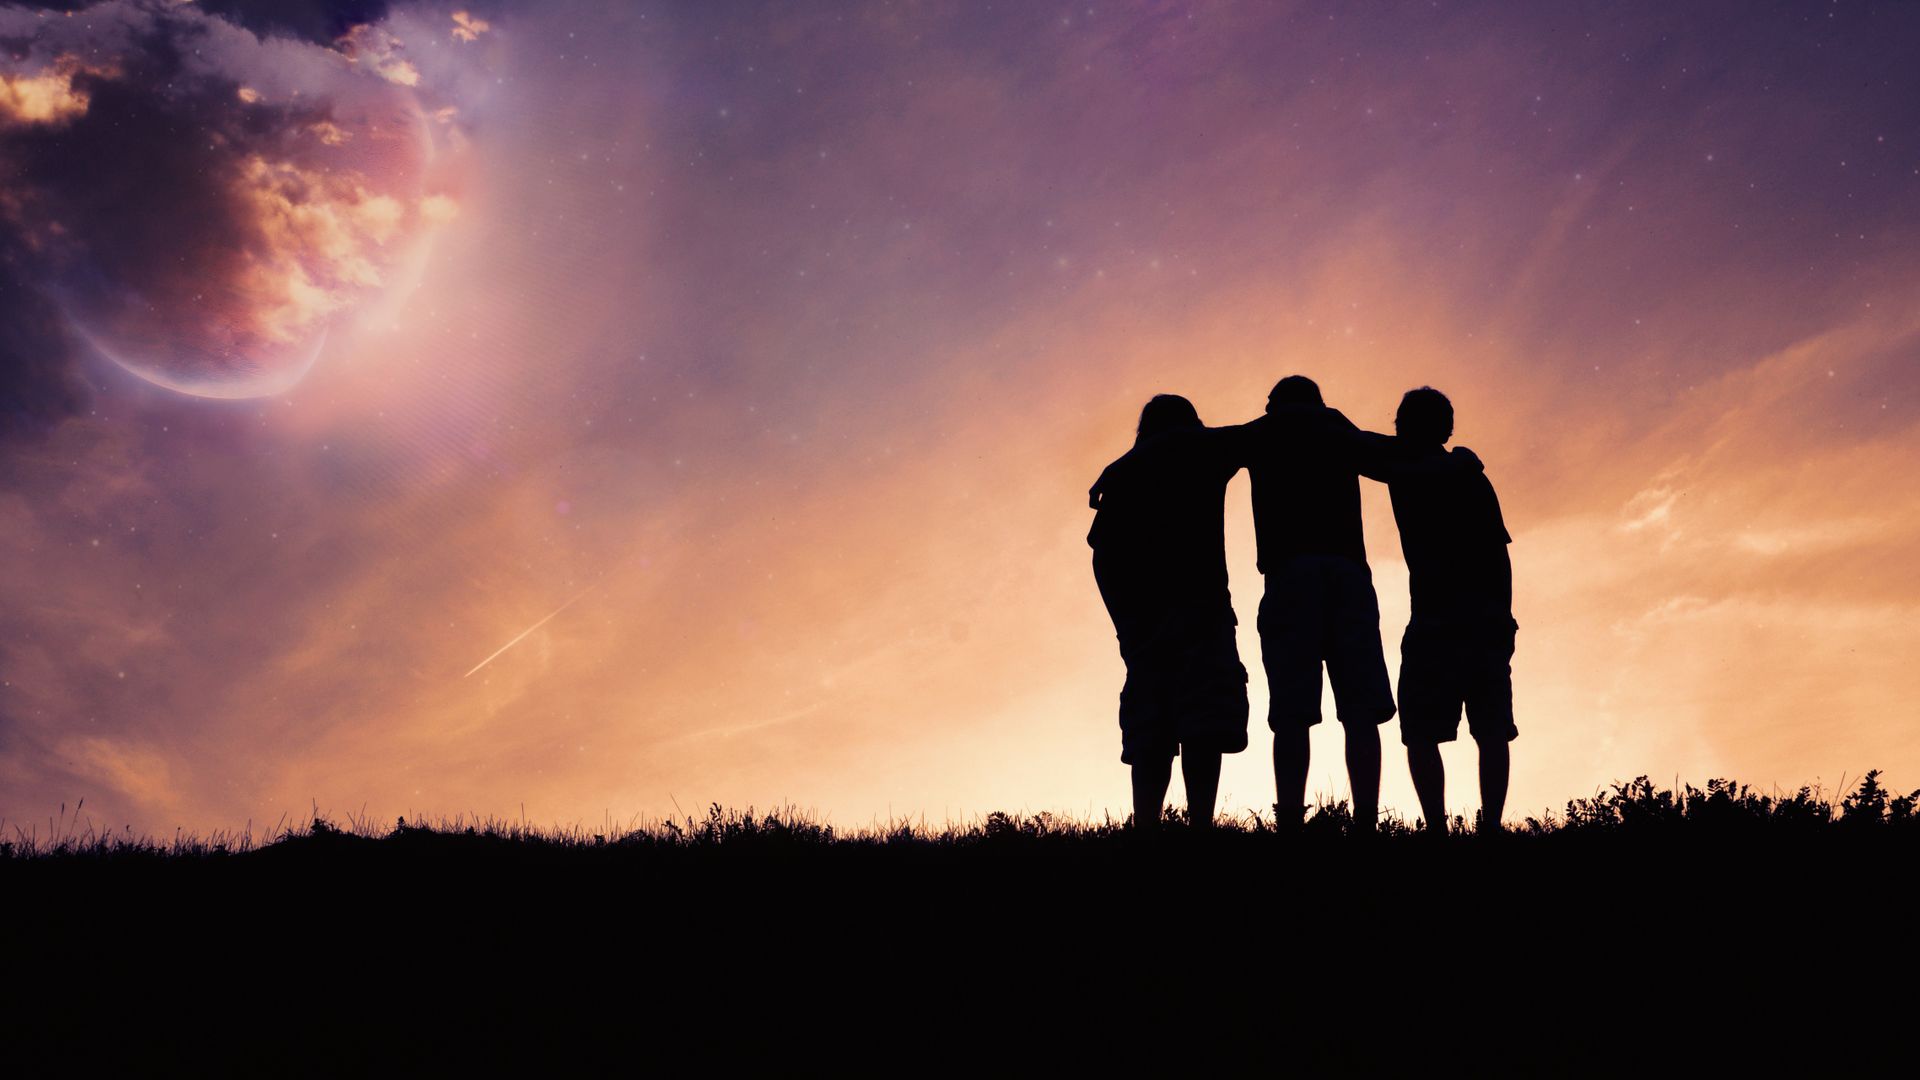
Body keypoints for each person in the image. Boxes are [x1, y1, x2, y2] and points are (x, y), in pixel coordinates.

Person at [1230, 376, 1395, 831]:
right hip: (1345, 570)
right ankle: (1364, 822)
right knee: (1360, 708)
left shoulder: (1262, 432)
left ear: (1272, 404)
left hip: (1289, 575)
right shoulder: (1337, 428)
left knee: (1291, 711)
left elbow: (1198, 447)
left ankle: (1290, 824)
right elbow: (1389, 458)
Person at [1088, 394, 1250, 830]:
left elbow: (1101, 554)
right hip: (1202, 614)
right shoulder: (1204, 451)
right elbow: (1255, 435)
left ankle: (1147, 829)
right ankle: (1199, 827)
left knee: (1151, 731)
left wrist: (1126, 625)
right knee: (1202, 723)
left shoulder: (1127, 472)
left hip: (1148, 623)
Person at [1366, 387, 1517, 833]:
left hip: (1436, 621)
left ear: (1402, 426)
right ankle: (1488, 826)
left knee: (1421, 730)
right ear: (1447, 427)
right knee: (1489, 729)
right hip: (1480, 618)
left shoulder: (1401, 465)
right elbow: (1498, 553)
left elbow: (1356, 445)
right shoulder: (1467, 472)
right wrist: (1504, 616)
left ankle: (1437, 828)